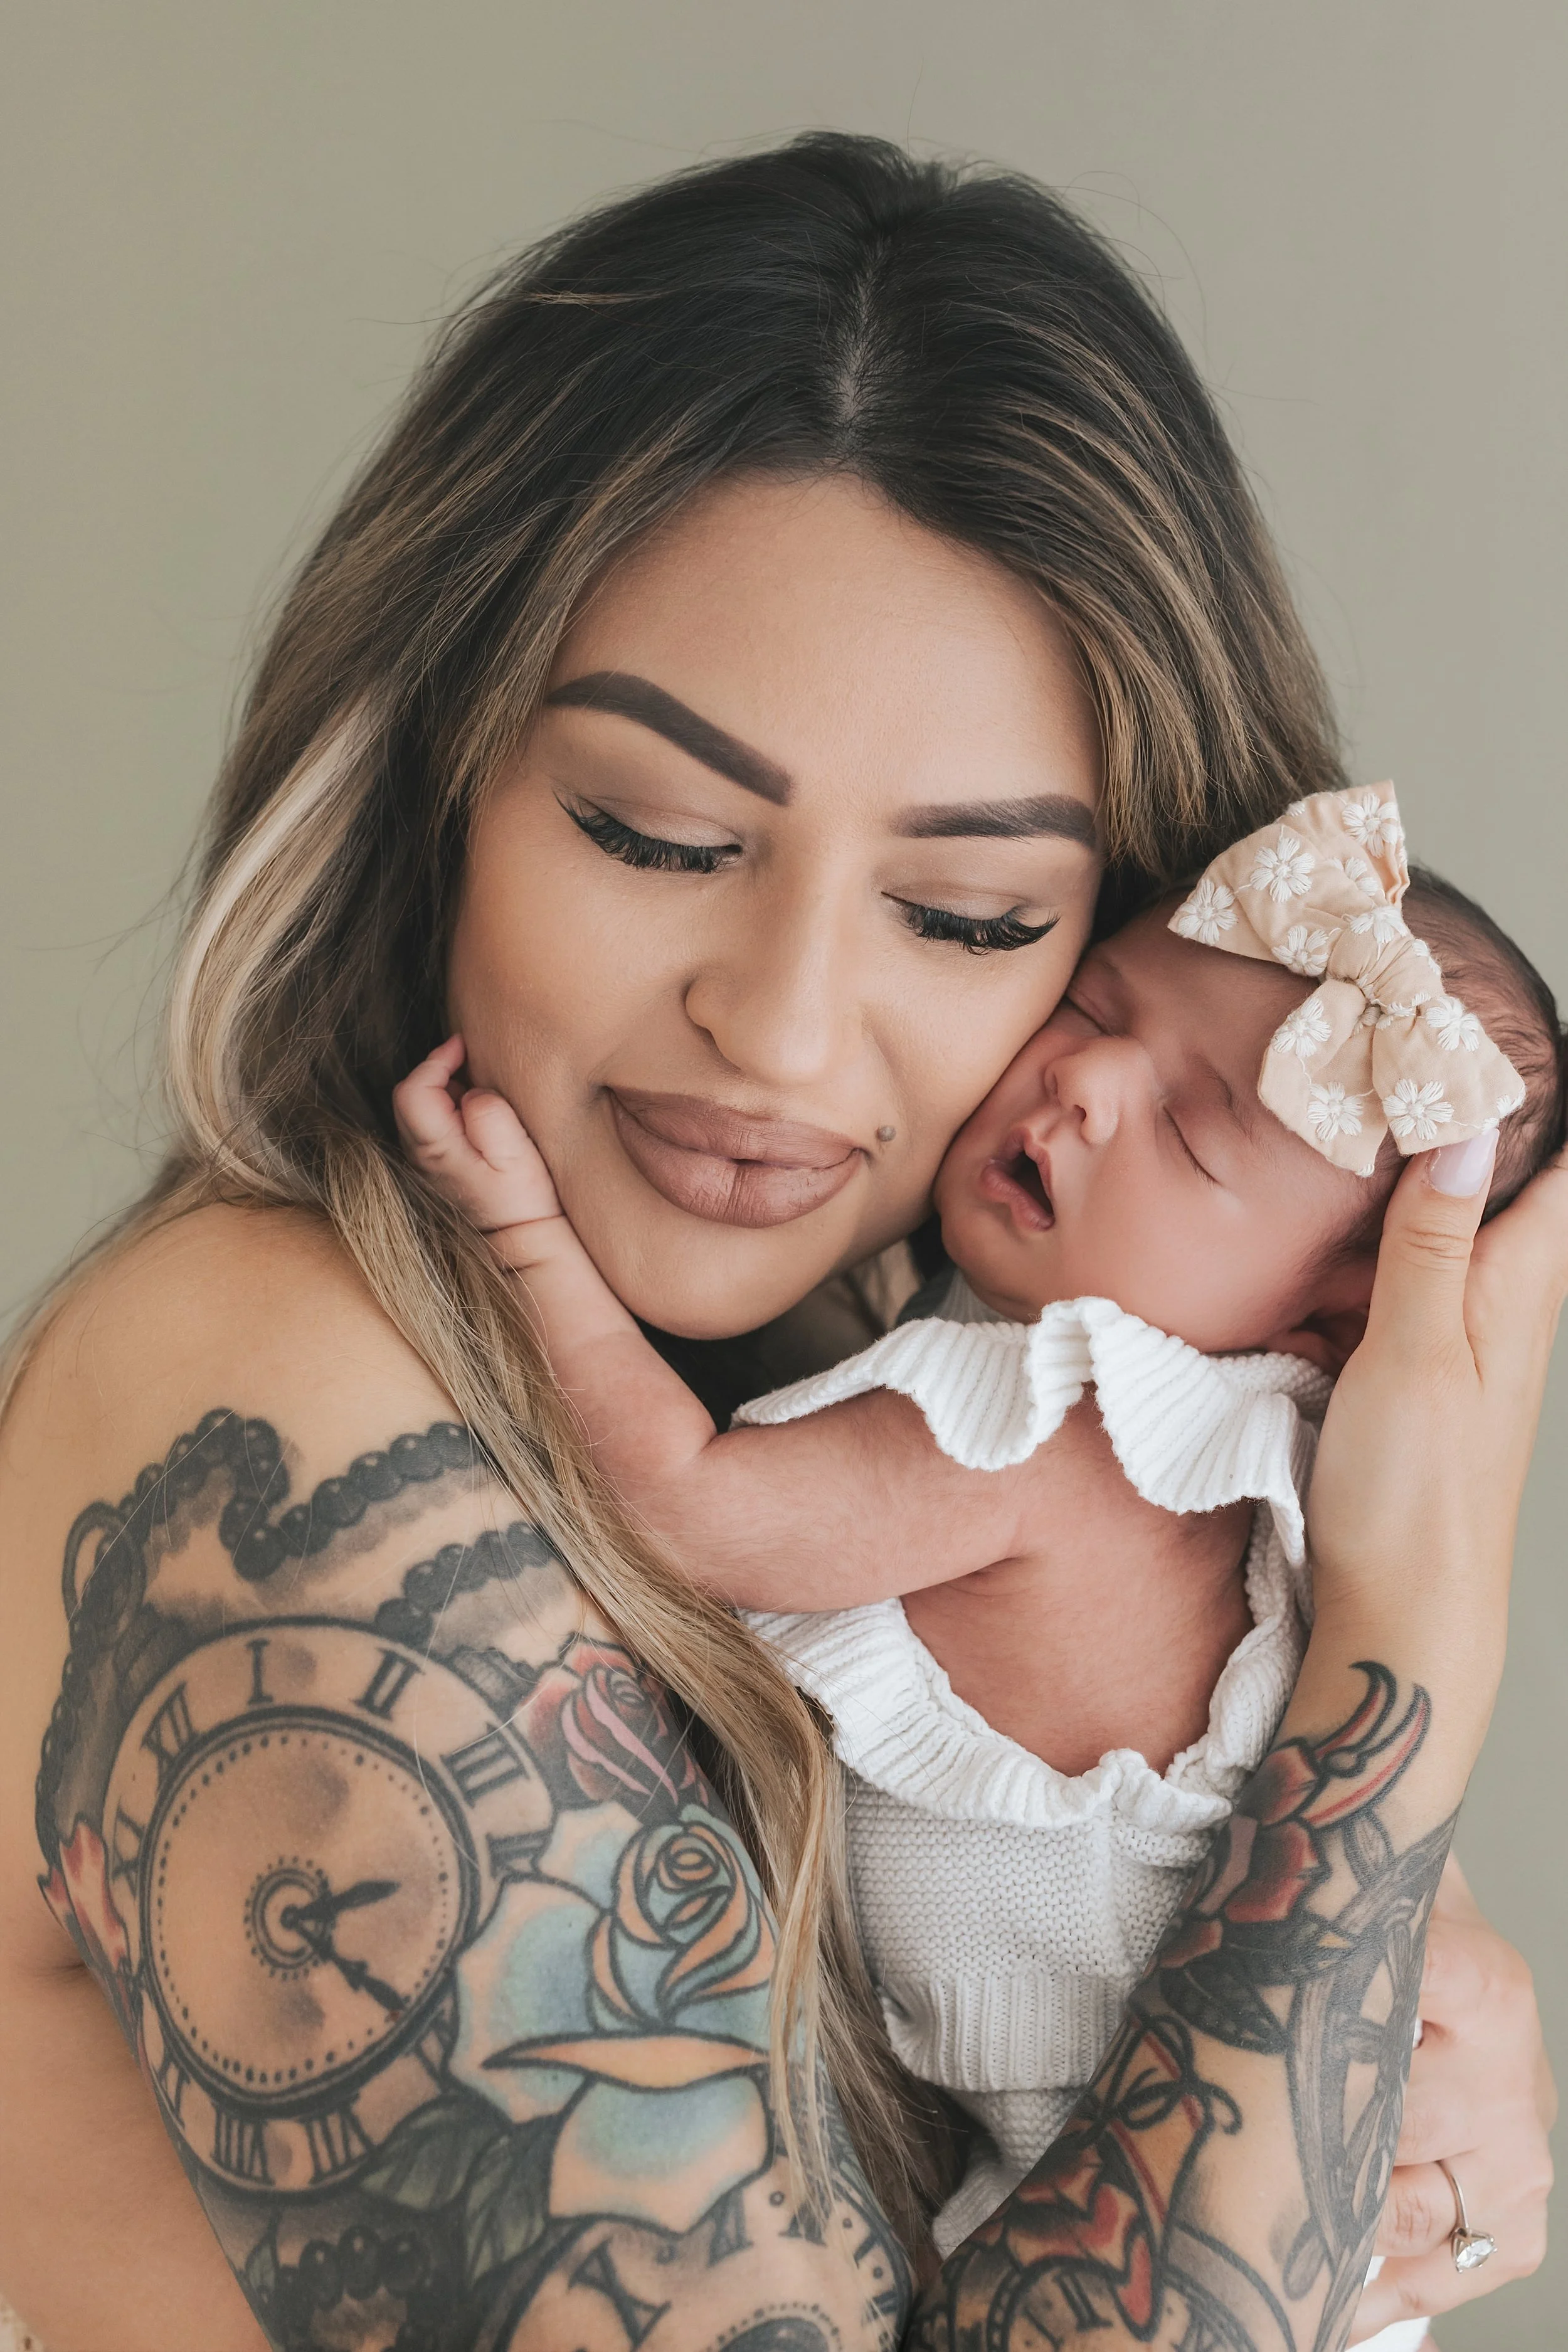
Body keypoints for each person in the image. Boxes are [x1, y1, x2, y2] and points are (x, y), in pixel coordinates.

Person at [0, 137, 1556, 2352]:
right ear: (430, 782)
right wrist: (1403, 1689)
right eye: (658, 832)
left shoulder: (928, 1473)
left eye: (975, 915)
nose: (787, 1025)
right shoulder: (266, 1388)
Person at [394, 782, 1564, 2286]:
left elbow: (689, 1513)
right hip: (1220, 2187)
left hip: (1124, 2175)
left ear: (1339, 1321)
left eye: (1193, 1130)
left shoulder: (1065, 1416)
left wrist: (521, 1241)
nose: (1086, 1087)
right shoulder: (1268, 1490)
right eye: (1089, 1007)